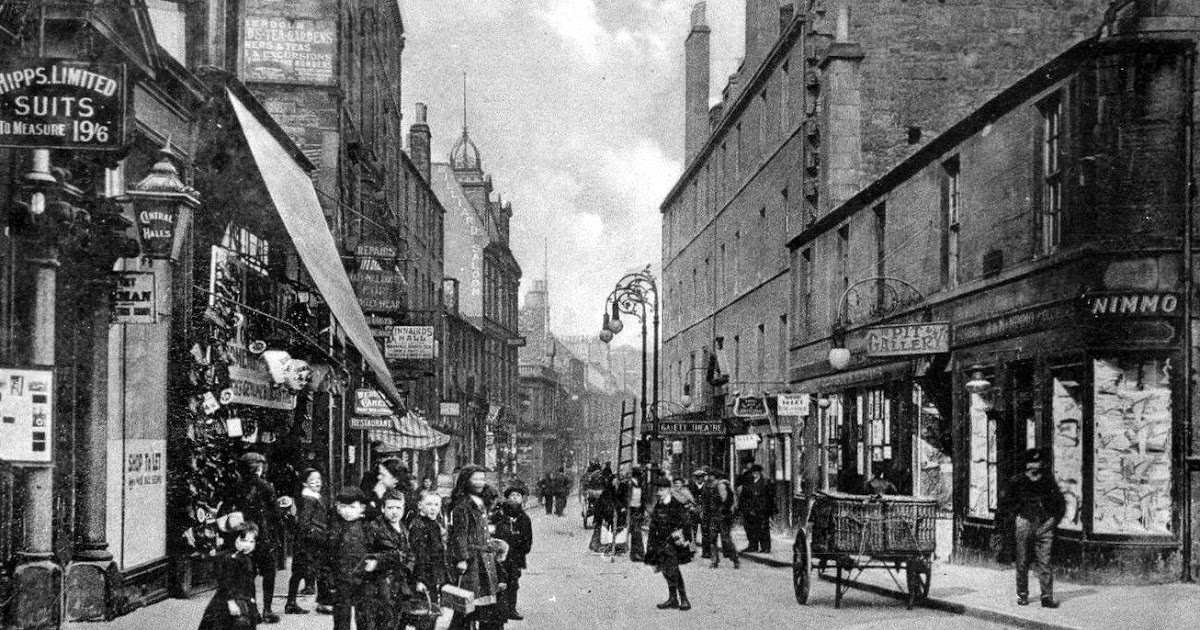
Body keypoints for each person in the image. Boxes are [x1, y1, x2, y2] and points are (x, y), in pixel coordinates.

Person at [1000, 449, 1066, 608]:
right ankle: (1022, 594)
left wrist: (1053, 521)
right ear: (1026, 464)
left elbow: (1060, 504)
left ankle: (1047, 597)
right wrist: (1016, 519)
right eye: (1031, 462)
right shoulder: (1017, 482)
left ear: (1042, 464)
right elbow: (1006, 505)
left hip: (1044, 525)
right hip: (1024, 523)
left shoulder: (1048, 481)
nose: (1034, 466)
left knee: (1045, 562)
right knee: (1022, 561)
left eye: (1037, 462)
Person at [230, 452, 286, 624]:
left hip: (244, 535)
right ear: (259, 467)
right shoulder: (266, 486)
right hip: (263, 535)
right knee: (269, 573)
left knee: (248, 573)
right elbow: (276, 514)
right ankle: (267, 610)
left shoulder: (237, 486)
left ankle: (252, 611)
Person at [447, 466, 501, 630]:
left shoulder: (481, 502)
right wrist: (462, 559)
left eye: (482, 479)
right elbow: (459, 535)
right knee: (467, 604)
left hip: (484, 559)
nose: (480, 483)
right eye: (475, 479)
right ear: (466, 481)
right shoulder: (462, 505)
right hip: (472, 560)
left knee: (484, 603)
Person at [362, 489, 418, 630]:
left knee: (396, 620)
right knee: (381, 620)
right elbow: (366, 555)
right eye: (390, 507)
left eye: (398, 508)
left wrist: (407, 565)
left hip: (399, 583)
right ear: (383, 508)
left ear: (404, 509)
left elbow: (410, 553)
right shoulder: (374, 528)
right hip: (380, 584)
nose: (394, 511)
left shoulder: (404, 529)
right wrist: (386, 559)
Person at [197, 523, 260, 630]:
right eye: (243, 541)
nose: (248, 545)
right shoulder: (231, 558)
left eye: (252, 542)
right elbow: (226, 581)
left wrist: (252, 600)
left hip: (244, 599)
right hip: (228, 599)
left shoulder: (247, 558)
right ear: (235, 539)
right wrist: (231, 602)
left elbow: (249, 582)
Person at [326, 487, 373, 630]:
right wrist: (327, 578)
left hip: (364, 580)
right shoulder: (335, 528)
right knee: (341, 618)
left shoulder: (368, 528)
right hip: (341, 580)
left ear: (362, 508)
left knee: (365, 617)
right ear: (337, 508)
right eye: (343, 506)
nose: (347, 511)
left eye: (352, 507)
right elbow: (327, 555)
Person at [644, 477, 693, 612]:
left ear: (668, 490)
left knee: (673, 569)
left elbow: (687, 523)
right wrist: (650, 546)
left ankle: (684, 599)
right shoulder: (659, 505)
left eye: (661, 490)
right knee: (665, 570)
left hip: (673, 543)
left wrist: (684, 538)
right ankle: (673, 599)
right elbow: (653, 527)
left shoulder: (676, 504)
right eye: (658, 490)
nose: (658, 493)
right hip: (660, 543)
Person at [285, 468, 326, 615]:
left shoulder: (313, 496)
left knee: (301, 572)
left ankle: (292, 602)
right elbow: (305, 523)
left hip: (308, 541)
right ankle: (293, 603)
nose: (317, 483)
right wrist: (320, 532)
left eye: (319, 479)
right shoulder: (309, 499)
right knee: (303, 571)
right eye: (313, 480)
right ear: (304, 482)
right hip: (308, 543)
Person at [491, 486, 533, 620]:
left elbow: (528, 538)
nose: (515, 498)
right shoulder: (500, 514)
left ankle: (511, 608)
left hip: (516, 555)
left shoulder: (524, 517)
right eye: (512, 495)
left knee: (513, 581)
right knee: (499, 579)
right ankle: (499, 608)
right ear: (507, 498)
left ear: (522, 499)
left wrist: (522, 548)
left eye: (518, 496)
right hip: (500, 554)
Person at [408, 493, 449, 630]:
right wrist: (420, 579)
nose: (433, 508)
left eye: (436, 505)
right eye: (429, 504)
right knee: (423, 615)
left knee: (431, 613)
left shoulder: (435, 525)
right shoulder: (418, 526)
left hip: (432, 576)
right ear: (420, 505)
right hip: (423, 577)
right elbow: (419, 555)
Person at [701, 475, 739, 569]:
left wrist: (724, 511)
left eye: (711, 476)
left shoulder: (721, 485)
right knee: (712, 539)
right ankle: (714, 561)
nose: (709, 479)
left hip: (723, 516)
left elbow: (725, 500)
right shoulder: (707, 487)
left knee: (726, 539)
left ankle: (735, 558)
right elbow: (705, 501)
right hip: (712, 517)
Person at [737, 464, 776, 553]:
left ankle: (765, 547)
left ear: (759, 473)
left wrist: (769, 510)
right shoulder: (748, 482)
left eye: (756, 472)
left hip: (762, 510)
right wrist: (742, 508)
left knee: (763, 529)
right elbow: (743, 496)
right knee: (750, 529)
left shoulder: (765, 482)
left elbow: (770, 497)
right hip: (749, 510)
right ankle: (752, 546)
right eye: (753, 472)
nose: (754, 474)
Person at [622, 467, 647, 561]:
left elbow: (643, 498)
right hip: (630, 510)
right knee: (636, 531)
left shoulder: (640, 485)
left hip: (638, 510)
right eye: (641, 475)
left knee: (636, 531)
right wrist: (624, 507)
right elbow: (623, 497)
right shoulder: (629, 484)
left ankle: (635, 554)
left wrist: (643, 510)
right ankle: (639, 554)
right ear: (637, 476)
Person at [687, 469, 706, 551]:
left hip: (703, 511)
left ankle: (705, 551)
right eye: (697, 477)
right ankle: (692, 549)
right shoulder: (691, 486)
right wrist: (690, 506)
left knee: (705, 531)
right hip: (693, 510)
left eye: (701, 477)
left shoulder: (707, 487)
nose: (699, 479)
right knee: (692, 531)